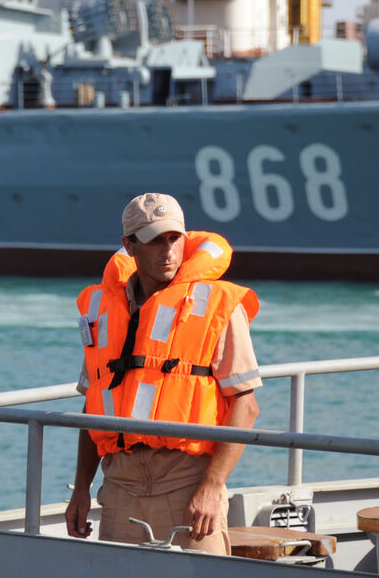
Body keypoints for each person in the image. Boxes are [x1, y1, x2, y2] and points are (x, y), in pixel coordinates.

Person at [64, 192, 262, 554]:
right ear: (129, 246)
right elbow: (95, 408)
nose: (168, 251)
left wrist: (213, 486)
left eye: (175, 238)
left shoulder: (217, 305)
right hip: (120, 486)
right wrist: (81, 489)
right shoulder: (102, 312)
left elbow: (246, 407)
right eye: (155, 240)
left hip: (188, 483)